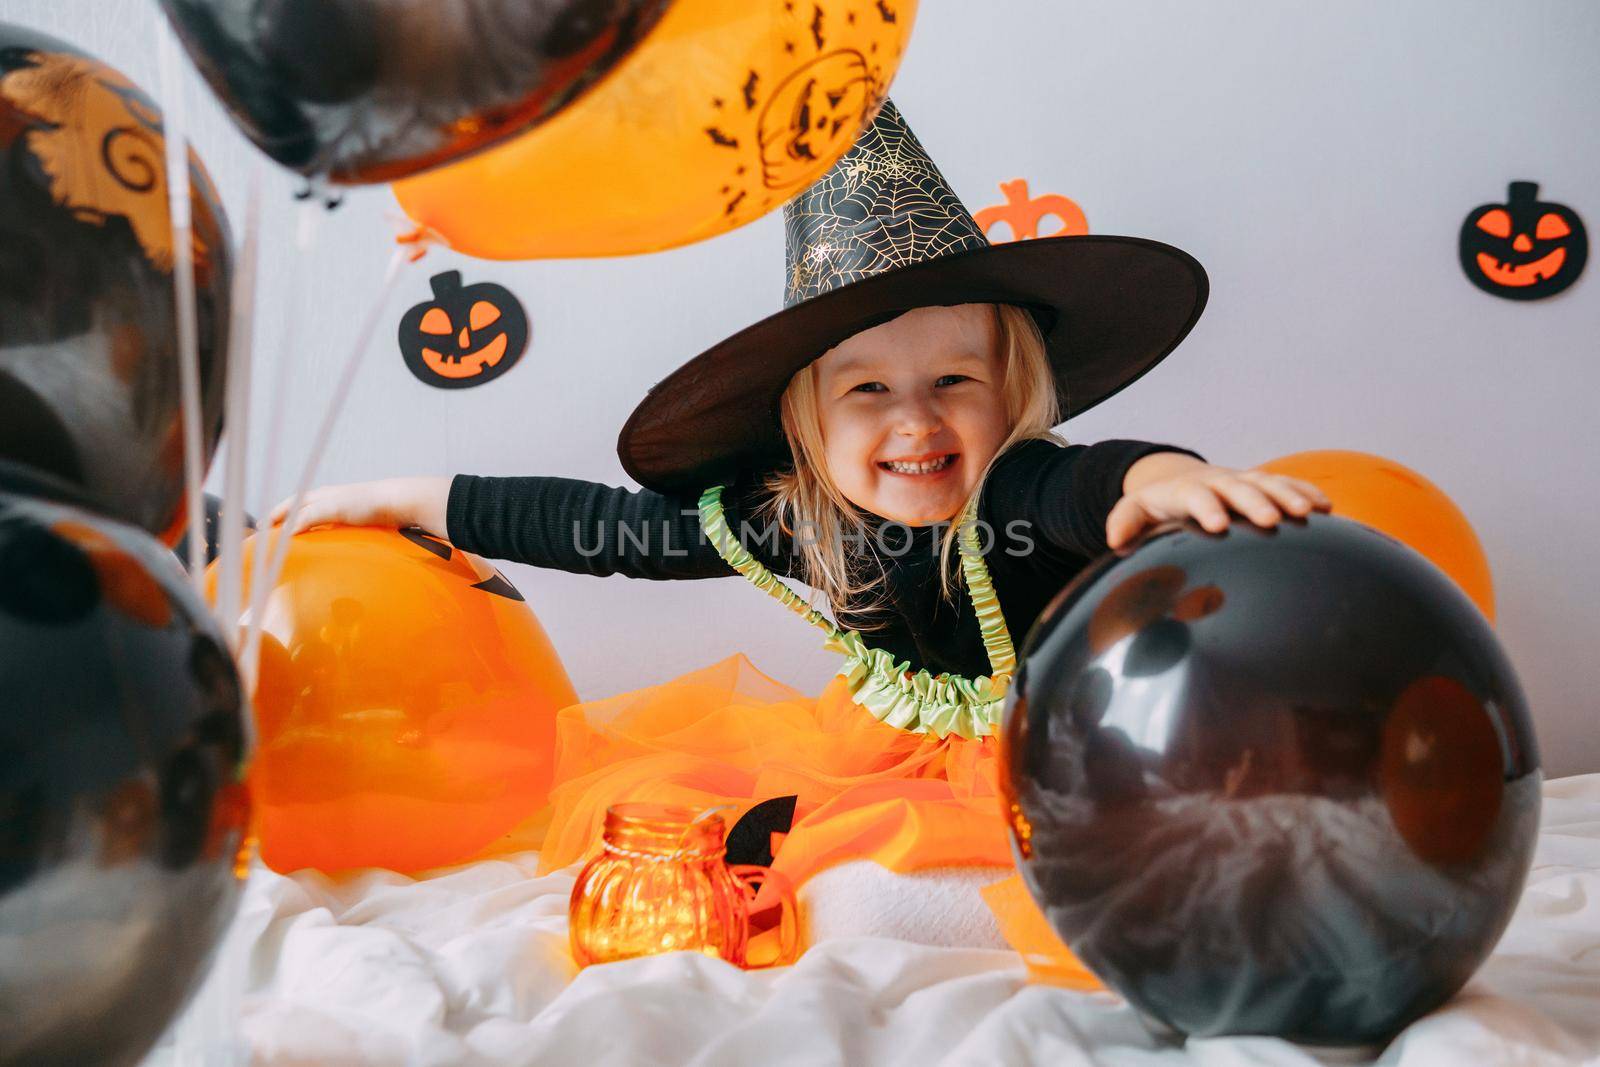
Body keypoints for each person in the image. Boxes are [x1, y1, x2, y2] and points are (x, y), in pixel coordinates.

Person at [276, 101, 1328, 961]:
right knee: (765, 853)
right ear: (808, 423)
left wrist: (1167, 480)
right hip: (880, 760)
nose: (915, 420)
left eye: (953, 380)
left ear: (1011, 396)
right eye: (867, 389)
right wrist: (414, 496)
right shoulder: (796, 519)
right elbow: (606, 527)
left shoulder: (1019, 490)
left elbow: (1096, 481)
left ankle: (975, 903)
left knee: (1003, 880)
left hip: (1050, 755)